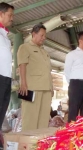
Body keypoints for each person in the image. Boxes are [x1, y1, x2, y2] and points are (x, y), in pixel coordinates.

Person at [17, 23, 53, 131]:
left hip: (46, 89)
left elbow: (48, 71)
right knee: (30, 119)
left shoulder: (44, 51)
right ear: (34, 34)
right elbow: (22, 65)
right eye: (41, 35)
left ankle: (40, 145)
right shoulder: (25, 47)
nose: (44, 38)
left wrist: (52, 87)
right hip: (31, 88)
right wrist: (23, 84)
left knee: (43, 121)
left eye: (44, 36)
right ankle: (27, 145)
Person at [64, 31, 83, 122]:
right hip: (75, 84)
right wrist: (73, 83)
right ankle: (71, 133)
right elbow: (67, 71)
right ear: (80, 40)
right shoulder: (71, 54)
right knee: (73, 110)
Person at [0, 2, 14, 147]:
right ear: (1, 14)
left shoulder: (5, 36)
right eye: (10, 15)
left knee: (2, 111)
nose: (12, 18)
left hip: (6, 78)